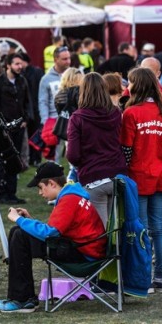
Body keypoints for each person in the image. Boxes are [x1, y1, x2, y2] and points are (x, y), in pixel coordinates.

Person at [0, 162, 106, 313]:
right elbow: (56, 229)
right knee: (17, 231)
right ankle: (22, 298)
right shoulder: (71, 194)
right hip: (82, 248)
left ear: (51, 183)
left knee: (19, 235)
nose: (40, 193)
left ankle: (22, 300)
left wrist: (20, 219)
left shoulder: (69, 199)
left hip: (83, 255)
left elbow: (50, 233)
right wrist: (29, 221)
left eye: (40, 187)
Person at [120, 67, 162, 293]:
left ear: (138, 85)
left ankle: (144, 280)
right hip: (160, 176)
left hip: (139, 177)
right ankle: (161, 279)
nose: (127, 87)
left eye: (130, 82)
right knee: (158, 230)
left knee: (140, 230)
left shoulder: (131, 113)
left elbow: (126, 148)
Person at [66, 73, 127, 226]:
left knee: (100, 232)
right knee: (117, 230)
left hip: (92, 177)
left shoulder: (77, 118)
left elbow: (72, 155)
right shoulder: (116, 113)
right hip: (117, 175)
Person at [0, 53, 33, 204]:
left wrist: (25, 119)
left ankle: (11, 193)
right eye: (16, 64)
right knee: (2, 160)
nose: (20, 67)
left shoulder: (22, 81)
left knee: (15, 160)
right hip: (3, 128)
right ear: (8, 65)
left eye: (21, 64)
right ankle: (1, 194)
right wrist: (1, 122)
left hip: (18, 127)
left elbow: (27, 102)